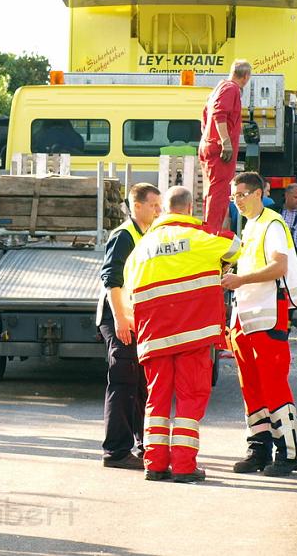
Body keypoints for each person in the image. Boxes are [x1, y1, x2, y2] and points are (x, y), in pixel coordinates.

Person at [124, 186, 241, 483]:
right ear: (190, 208)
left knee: (157, 401)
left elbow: (129, 289)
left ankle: (155, 464)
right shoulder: (200, 238)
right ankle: (185, 467)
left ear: (164, 210)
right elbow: (235, 247)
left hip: (154, 337)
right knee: (189, 399)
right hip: (192, 333)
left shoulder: (141, 248)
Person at [223, 172, 297, 477]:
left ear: (259, 193)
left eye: (242, 195)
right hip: (248, 318)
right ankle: (259, 449)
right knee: (252, 388)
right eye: (234, 196)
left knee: (272, 384)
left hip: (268, 316)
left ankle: (290, 453)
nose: (238, 200)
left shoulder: (273, 223)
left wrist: (238, 280)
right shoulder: (251, 225)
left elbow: (279, 267)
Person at [97, 183, 162, 470]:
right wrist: (122, 319)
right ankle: (116, 452)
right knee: (123, 383)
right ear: (137, 206)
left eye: (160, 206)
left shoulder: (149, 233)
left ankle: (142, 445)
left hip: (138, 318)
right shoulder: (124, 235)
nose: (159, 211)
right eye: (153, 206)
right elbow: (112, 279)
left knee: (140, 384)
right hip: (120, 319)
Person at [199, 60, 252, 231]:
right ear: (246, 77)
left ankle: (210, 229)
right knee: (219, 193)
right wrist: (225, 142)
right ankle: (212, 233)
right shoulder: (232, 89)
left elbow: (206, 116)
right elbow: (219, 114)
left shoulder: (219, 88)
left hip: (209, 145)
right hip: (219, 149)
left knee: (212, 191)